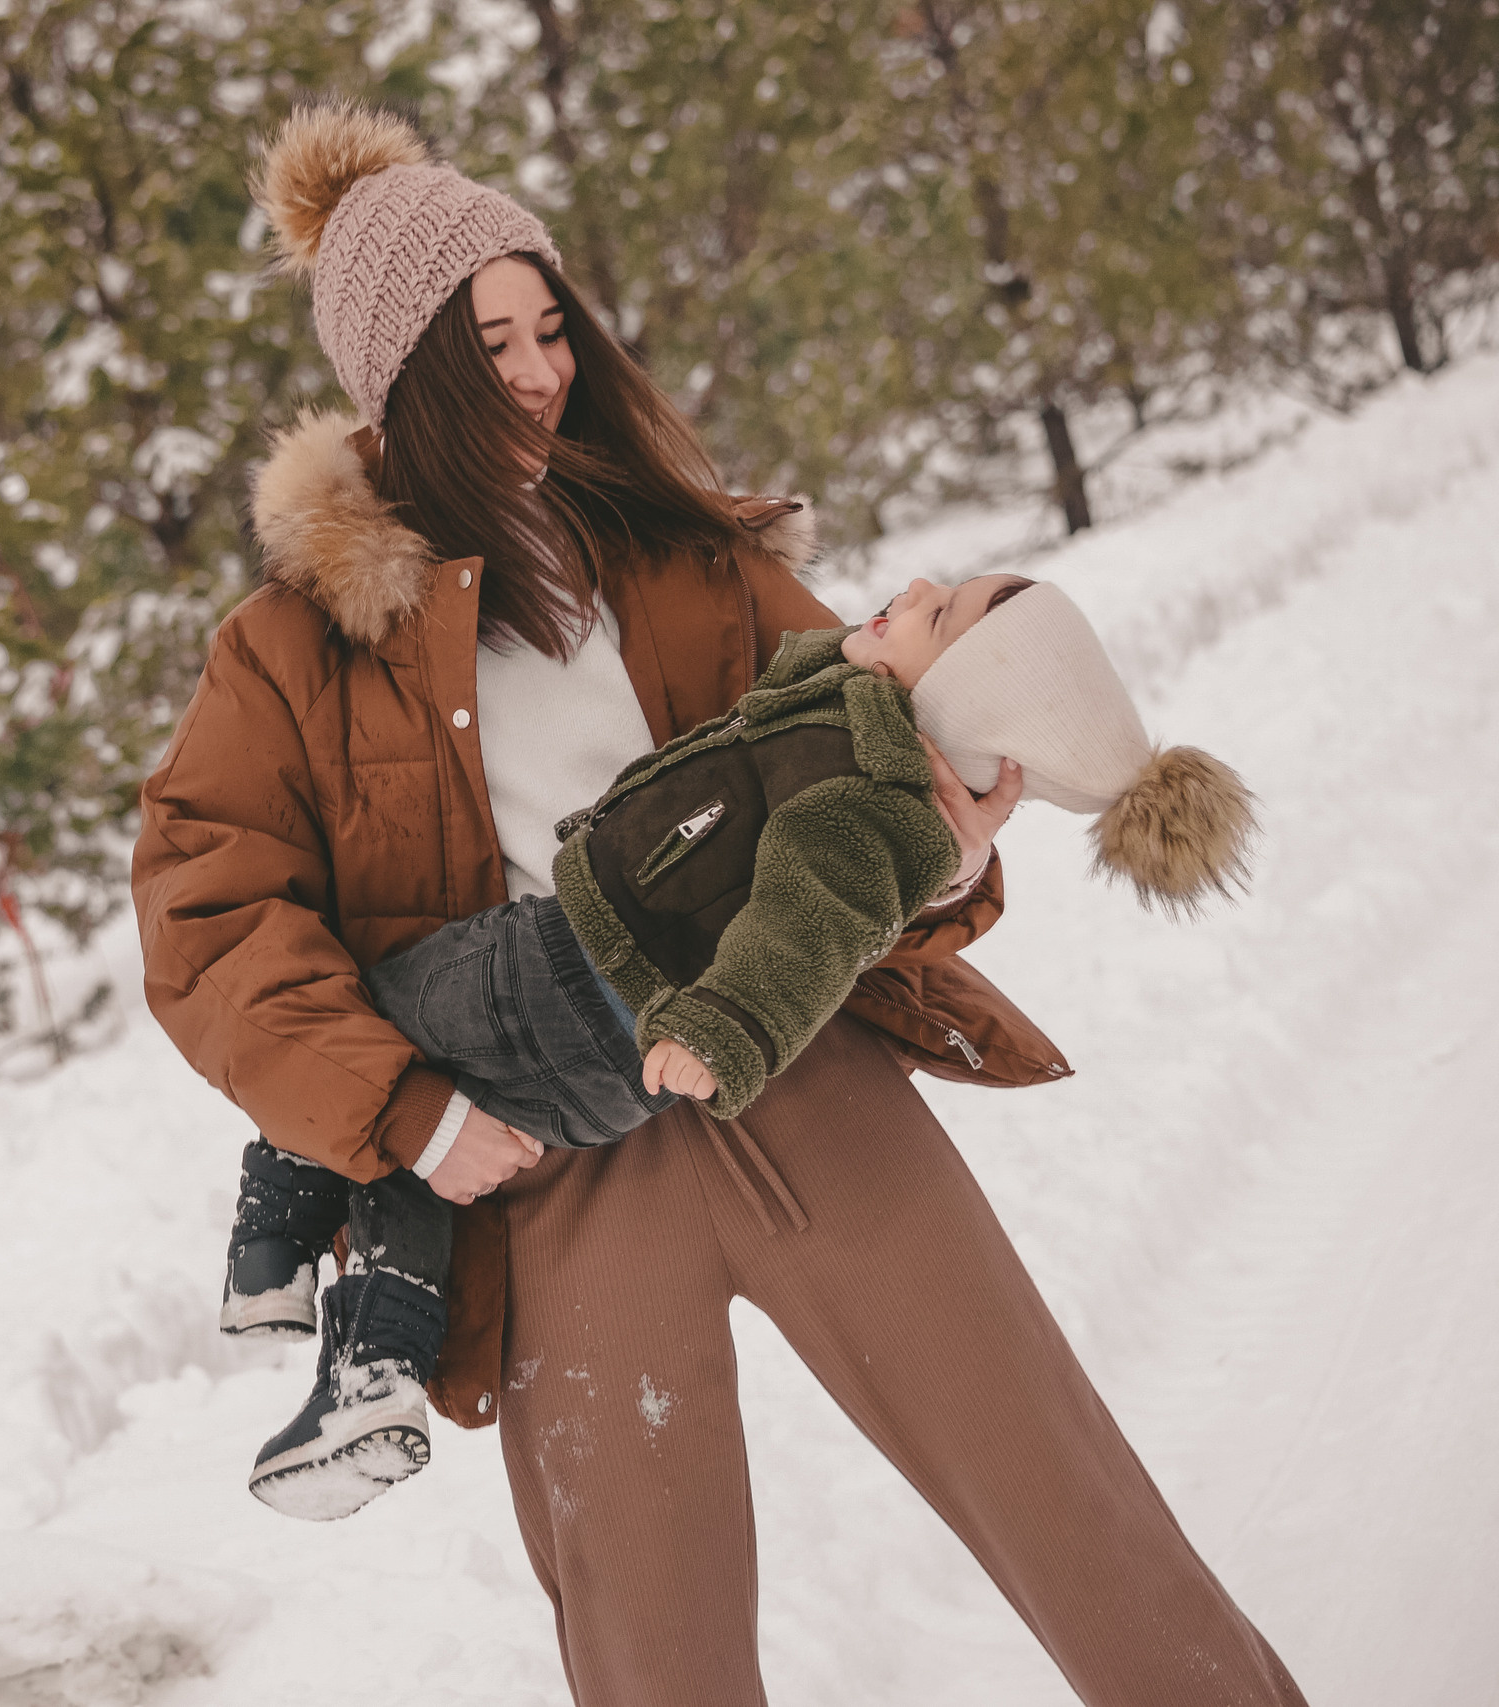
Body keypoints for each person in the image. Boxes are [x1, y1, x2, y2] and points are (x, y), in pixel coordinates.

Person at [134, 103, 1306, 1707]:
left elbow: (877, 760)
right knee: (650, 1637)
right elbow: (206, 920)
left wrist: (952, 861)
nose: (545, 367)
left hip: (797, 1068)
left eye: (554, 323)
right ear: (407, 372)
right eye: (497, 343)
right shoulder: (289, 648)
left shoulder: (681, 551)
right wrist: (402, 1115)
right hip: (556, 1174)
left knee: (1058, 1486)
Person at [222, 571, 1256, 1519]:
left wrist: (728, 1029)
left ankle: (269, 1251)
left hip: (569, 973)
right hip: (595, 1028)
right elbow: (776, 710)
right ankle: (375, 1373)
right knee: (413, 1127)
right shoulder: (853, 736)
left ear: (952, 699)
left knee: (364, 1029)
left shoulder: (864, 793)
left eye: (939, 616)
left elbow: (805, 927)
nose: (919, 587)